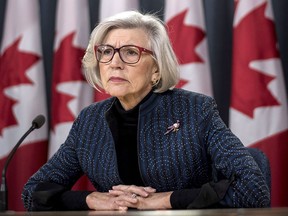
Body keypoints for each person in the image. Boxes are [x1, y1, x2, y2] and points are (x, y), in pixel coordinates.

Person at [22, 10, 270, 211]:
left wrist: (165, 200)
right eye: (106, 52)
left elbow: (253, 188)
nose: (115, 63)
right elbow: (33, 192)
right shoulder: (90, 120)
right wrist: (90, 199)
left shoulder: (196, 110)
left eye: (131, 52)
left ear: (157, 69)